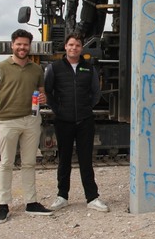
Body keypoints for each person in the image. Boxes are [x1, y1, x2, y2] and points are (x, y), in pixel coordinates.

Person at [0, 29, 53, 223]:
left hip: (31, 120)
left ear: (30, 46)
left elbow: (42, 93)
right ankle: (3, 204)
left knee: (29, 163)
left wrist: (43, 98)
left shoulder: (36, 70)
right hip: (8, 120)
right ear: (12, 45)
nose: (22, 48)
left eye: (25, 44)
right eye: (18, 44)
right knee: (6, 164)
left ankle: (31, 202)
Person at [44, 33, 109, 213]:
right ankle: (62, 196)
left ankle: (92, 197)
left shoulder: (89, 68)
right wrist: (58, 109)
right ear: (65, 47)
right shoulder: (55, 68)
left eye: (77, 45)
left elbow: (96, 93)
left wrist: (86, 107)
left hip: (84, 120)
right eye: (71, 45)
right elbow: (48, 92)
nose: (74, 48)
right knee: (64, 159)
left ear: (81, 48)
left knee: (86, 160)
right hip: (63, 121)